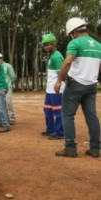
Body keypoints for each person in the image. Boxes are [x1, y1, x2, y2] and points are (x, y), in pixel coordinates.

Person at [54, 17, 101, 158]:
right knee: (92, 116)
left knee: (67, 115)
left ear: (74, 32)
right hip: (92, 85)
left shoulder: (75, 43)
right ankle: (95, 149)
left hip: (75, 85)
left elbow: (68, 62)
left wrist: (59, 81)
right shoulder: (99, 45)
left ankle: (70, 148)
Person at [41, 34, 65, 140]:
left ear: (53, 44)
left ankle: (59, 132)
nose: (45, 47)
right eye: (44, 45)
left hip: (56, 89)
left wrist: (58, 84)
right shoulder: (52, 56)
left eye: (47, 45)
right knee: (47, 109)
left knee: (57, 110)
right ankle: (50, 129)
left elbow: (62, 72)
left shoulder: (57, 56)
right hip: (49, 89)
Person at [0, 52, 16, 125]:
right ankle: (4, 118)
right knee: (1, 104)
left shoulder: (7, 66)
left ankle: (11, 118)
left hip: (7, 87)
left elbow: (13, 76)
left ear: (1, 58)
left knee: (8, 102)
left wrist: (9, 82)